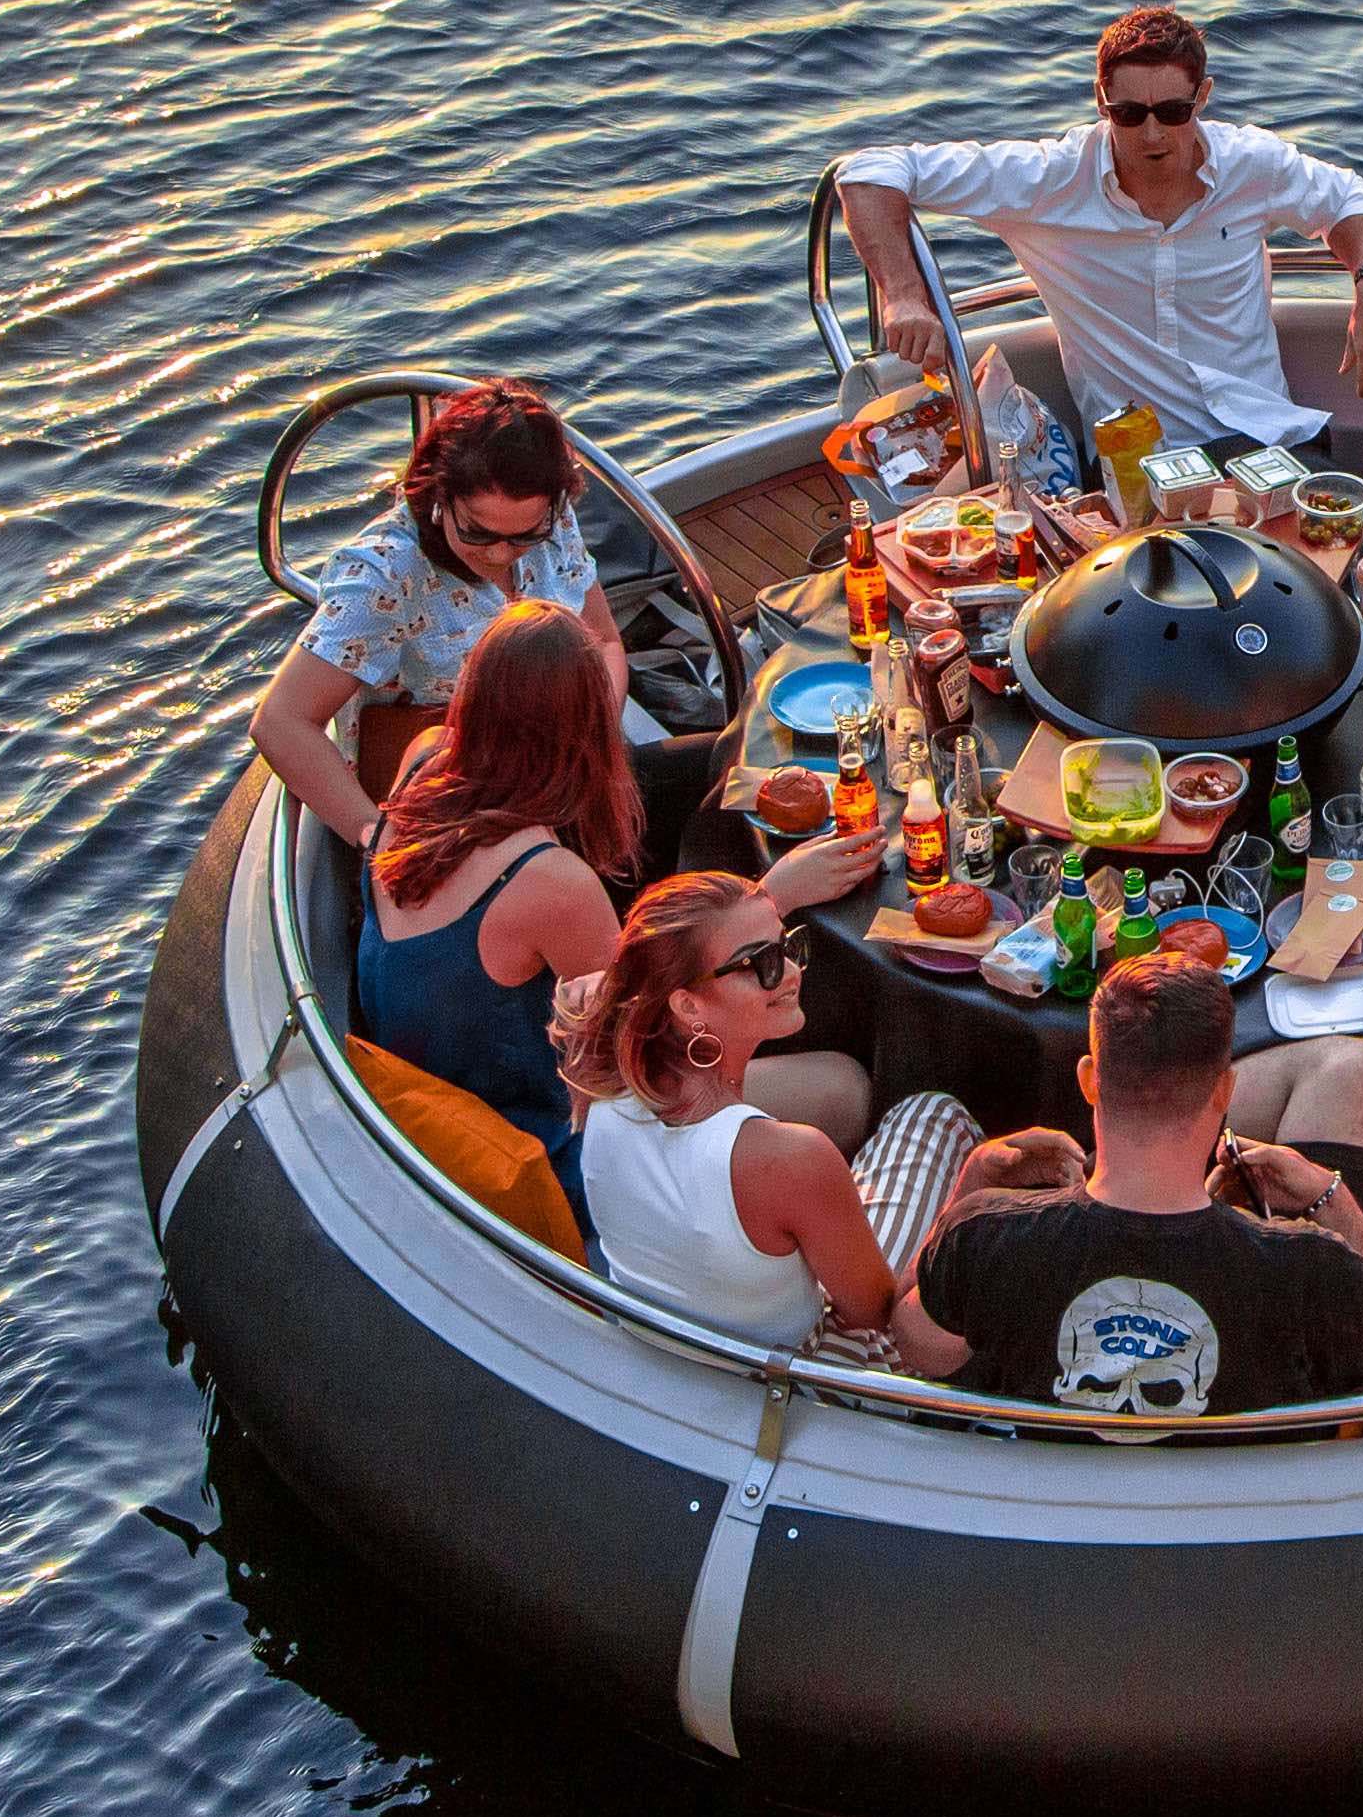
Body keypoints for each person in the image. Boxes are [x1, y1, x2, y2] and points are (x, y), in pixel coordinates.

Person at [840, 6, 1363, 462]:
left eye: (1174, 111)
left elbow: (1348, 201)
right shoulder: (1050, 180)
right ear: (1101, 102)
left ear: (1203, 98)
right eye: (1131, 114)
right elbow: (869, 172)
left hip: (1267, 439)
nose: (1154, 133)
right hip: (1136, 466)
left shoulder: (1250, 164)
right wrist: (905, 296)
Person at [890, 953, 1363, 1413]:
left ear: (1087, 1080)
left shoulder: (985, 1238)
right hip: (1243, 1516)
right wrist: (1329, 1198)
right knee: (1357, 1068)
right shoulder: (1311, 1271)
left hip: (1046, 1506)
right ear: (1224, 1093)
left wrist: (972, 1182)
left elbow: (916, 1343)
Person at [254, 380, 643, 856]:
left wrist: (595, 746)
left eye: (524, 535)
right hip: (461, 815)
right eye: (479, 533)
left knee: (717, 777)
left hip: (561, 774)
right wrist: (378, 837)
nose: (502, 553)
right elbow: (280, 720)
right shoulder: (387, 575)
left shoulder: (551, 521)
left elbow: (602, 641)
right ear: (440, 498)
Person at [354, 603, 638, 1228]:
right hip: (545, 1162)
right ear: (585, 726)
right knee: (840, 1085)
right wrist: (770, 902)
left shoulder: (426, 761)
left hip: (449, 1127)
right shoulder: (550, 883)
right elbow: (640, 1059)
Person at [553, 872, 892, 1339]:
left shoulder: (603, 1076)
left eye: (788, 946)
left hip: (664, 1348)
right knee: (934, 1117)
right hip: (786, 1378)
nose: (792, 972)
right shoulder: (793, 1160)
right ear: (687, 1006)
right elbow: (877, 1313)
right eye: (762, 963)